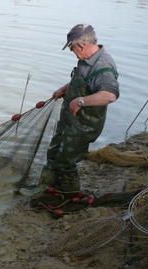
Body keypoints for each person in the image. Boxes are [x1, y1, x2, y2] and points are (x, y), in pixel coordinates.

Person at [40, 24, 119, 192]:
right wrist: (65, 88)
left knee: (66, 161)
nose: (71, 52)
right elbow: (84, 81)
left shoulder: (102, 66)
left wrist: (81, 101)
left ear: (81, 45)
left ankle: (69, 194)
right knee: (54, 152)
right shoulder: (86, 60)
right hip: (70, 121)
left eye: (71, 48)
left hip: (83, 125)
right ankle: (49, 186)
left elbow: (110, 95)